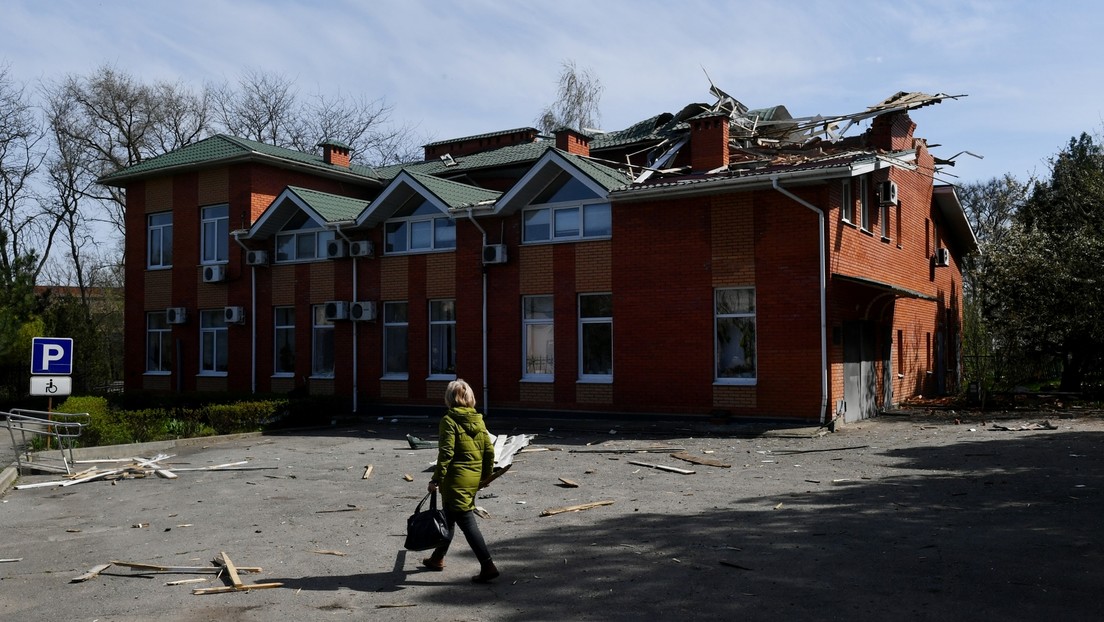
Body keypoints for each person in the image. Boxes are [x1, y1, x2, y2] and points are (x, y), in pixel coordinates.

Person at [423, 379, 500, 583]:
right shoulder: (478, 419)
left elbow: (446, 453)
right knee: (449, 517)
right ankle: (437, 558)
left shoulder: (449, 420)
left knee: (466, 521)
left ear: (449, 398)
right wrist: (485, 476)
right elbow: (489, 451)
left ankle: (488, 565)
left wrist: (436, 479)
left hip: (455, 480)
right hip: (472, 479)